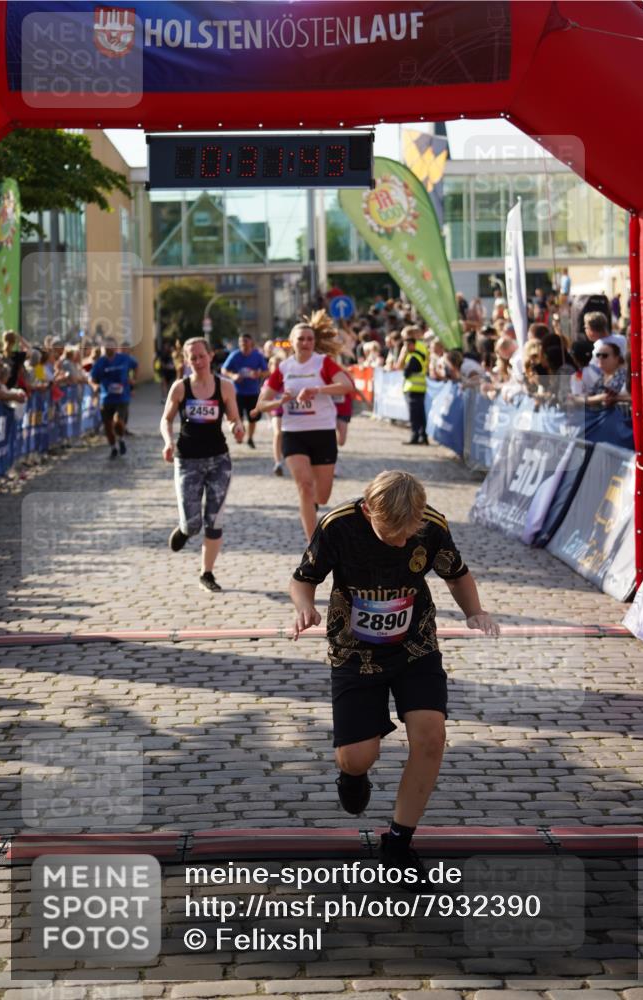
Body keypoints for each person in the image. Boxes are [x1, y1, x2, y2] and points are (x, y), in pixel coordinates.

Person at [290, 470, 499, 877]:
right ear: (368, 511)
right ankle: (352, 776)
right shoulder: (339, 526)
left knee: (431, 736)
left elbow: (456, 573)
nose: (403, 542)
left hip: (415, 645)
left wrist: (475, 610)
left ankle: (399, 842)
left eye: (410, 534)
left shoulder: (431, 525)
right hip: (354, 651)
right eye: (393, 534)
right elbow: (303, 580)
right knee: (356, 758)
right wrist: (304, 606)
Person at [254, 314, 354, 541]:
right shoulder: (283, 368)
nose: (306, 343)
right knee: (305, 487)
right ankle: (313, 546)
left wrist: (317, 390)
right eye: (301, 339)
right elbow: (261, 403)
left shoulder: (323, 363)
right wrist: (279, 401)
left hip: (323, 432)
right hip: (294, 433)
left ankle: (314, 506)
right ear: (292, 342)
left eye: (310, 339)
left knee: (323, 494)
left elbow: (347, 385)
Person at [160, 337, 244, 593]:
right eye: (192, 357)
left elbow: (233, 418)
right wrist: (168, 442)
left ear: (210, 356)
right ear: (187, 360)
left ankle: (206, 573)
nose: (197, 361)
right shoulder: (180, 388)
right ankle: (186, 529)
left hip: (219, 460)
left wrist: (237, 428)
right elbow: (166, 419)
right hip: (187, 461)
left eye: (201, 356)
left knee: (214, 520)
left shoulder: (225, 387)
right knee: (193, 522)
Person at [89, 336, 138, 459]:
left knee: (118, 421)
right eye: (106, 347)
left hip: (122, 397)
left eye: (110, 347)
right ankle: (113, 448)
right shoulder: (100, 362)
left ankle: (121, 439)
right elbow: (91, 378)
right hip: (106, 398)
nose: (108, 349)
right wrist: (95, 386)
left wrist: (134, 380)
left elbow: (136, 365)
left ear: (115, 348)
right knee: (108, 426)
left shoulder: (124, 358)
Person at [221, 333, 268, 449]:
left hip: (253, 392)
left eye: (246, 341)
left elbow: (267, 372)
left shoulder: (257, 356)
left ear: (251, 343)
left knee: (253, 418)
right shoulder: (234, 355)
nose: (243, 344)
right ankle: (241, 432)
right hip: (237, 392)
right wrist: (233, 376)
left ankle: (250, 438)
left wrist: (258, 374)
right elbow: (223, 370)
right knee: (238, 417)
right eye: (241, 342)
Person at [396, 325, 429, 446]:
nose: (405, 342)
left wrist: (402, 352)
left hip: (412, 385)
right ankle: (422, 435)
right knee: (420, 413)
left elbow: (399, 365)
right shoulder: (423, 346)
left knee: (414, 414)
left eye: (405, 339)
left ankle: (416, 436)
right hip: (421, 384)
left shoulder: (412, 348)